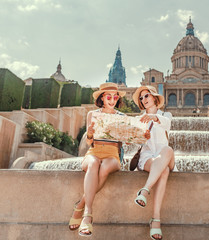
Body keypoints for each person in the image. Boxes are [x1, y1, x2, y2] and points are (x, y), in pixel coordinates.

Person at [68, 82, 126, 237]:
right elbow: (88, 142)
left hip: (112, 153)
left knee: (105, 167)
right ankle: (88, 213)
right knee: (93, 164)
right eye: (109, 97)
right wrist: (90, 133)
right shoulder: (92, 114)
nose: (112, 100)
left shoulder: (123, 117)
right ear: (102, 97)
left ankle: (80, 204)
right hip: (94, 151)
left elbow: (125, 141)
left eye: (115, 97)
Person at [132, 85, 175, 240]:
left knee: (168, 150)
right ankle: (155, 220)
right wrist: (142, 136)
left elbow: (166, 123)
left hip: (164, 155)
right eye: (141, 98)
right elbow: (134, 141)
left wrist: (153, 118)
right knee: (163, 171)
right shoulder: (138, 120)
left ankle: (145, 190)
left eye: (146, 96)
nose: (143, 100)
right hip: (148, 157)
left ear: (155, 98)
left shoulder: (166, 115)